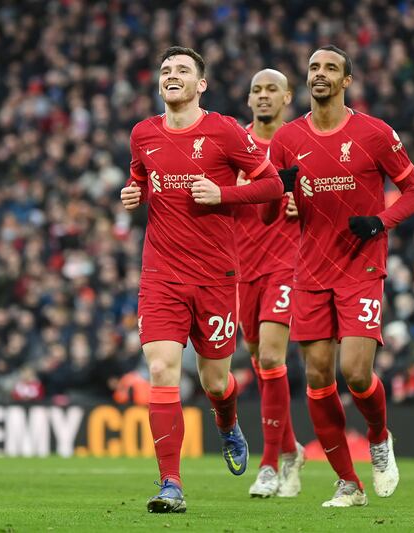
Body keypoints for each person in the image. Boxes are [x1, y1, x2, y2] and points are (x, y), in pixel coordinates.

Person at [120, 46, 288, 513]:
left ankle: (227, 422)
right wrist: (135, 193)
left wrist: (224, 193)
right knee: (160, 370)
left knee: (215, 381)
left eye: (182, 71)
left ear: (201, 85)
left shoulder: (225, 131)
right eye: (166, 70)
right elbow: (141, 178)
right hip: (161, 275)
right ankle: (170, 483)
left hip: (216, 276)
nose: (171, 76)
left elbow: (273, 184)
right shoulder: (143, 134)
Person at [268, 45, 414, 507]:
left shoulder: (373, 133)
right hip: (310, 271)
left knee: (357, 375)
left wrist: (380, 222)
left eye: (330, 68)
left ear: (347, 81)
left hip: (361, 265)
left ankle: (379, 438)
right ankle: (347, 483)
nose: (320, 74)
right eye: (314, 67)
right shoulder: (288, 138)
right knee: (318, 379)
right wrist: (285, 203)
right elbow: (273, 212)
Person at [235, 69, 305, 498]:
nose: (264, 96)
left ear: (287, 98)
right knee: (260, 361)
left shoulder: (300, 144)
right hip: (242, 269)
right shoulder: (235, 147)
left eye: (271, 90)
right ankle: (292, 447)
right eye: (257, 90)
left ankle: (269, 463)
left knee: (274, 357)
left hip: (288, 264)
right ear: (249, 100)